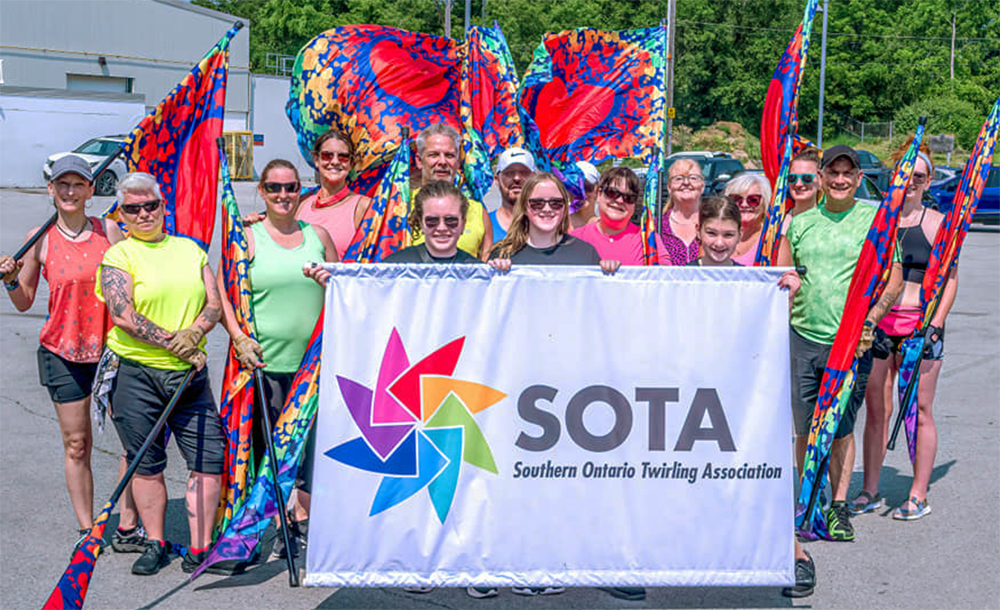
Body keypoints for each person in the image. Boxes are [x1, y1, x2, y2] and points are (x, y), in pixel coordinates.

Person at [0, 155, 143, 554]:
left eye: (78, 184)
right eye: (62, 184)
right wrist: (11, 280)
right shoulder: (40, 238)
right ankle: (88, 529)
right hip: (62, 353)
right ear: (51, 190)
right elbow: (25, 300)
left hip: (113, 352)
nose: (69, 191)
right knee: (77, 444)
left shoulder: (111, 231)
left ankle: (127, 523)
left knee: (134, 439)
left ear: (90, 190)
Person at [95, 172, 226, 575]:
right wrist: (174, 341)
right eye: (133, 209)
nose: (144, 213)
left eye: (151, 205)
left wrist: (196, 331)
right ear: (123, 215)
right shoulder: (119, 256)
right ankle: (155, 541)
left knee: (209, 457)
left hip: (188, 376)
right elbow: (122, 314)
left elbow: (214, 303)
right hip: (135, 374)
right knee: (146, 461)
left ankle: (201, 548)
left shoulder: (190, 250)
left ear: (162, 206)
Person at [776, 144, 903, 542]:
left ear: (859, 178)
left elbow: (894, 276)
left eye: (848, 173)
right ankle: (808, 499)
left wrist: (872, 318)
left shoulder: (874, 220)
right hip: (803, 337)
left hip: (851, 342)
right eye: (833, 173)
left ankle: (838, 506)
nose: (840, 180)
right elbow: (782, 276)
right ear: (821, 177)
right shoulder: (800, 223)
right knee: (804, 427)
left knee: (841, 428)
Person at [219, 160, 336, 561]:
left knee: (305, 452)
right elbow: (224, 296)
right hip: (263, 366)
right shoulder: (247, 237)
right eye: (274, 188)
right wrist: (238, 338)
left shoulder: (316, 235)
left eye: (290, 188)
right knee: (263, 452)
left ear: (300, 191)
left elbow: (343, 287)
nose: (283, 195)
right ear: (262, 192)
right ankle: (254, 530)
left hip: (312, 368)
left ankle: (294, 523)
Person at [852, 142, 956, 521]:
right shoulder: (881, 220)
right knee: (876, 410)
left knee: (920, 411)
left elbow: (950, 279)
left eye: (918, 177)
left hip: (919, 326)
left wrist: (936, 323)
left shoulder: (938, 223)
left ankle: (917, 493)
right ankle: (870, 489)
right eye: (905, 175)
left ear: (928, 182)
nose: (910, 182)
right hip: (881, 325)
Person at [411, 123, 494, 260]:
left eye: (449, 155)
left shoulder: (478, 212)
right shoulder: (399, 207)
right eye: (434, 155)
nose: (442, 162)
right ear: (419, 161)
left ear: (457, 161)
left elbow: (486, 269)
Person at [489, 172, 605, 268]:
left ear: (565, 207)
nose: (547, 209)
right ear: (524, 207)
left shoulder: (585, 254)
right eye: (537, 203)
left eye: (556, 203)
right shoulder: (502, 254)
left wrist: (611, 271)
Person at [570, 166, 671, 266]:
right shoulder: (575, 239)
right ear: (599, 193)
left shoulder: (648, 241)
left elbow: (665, 275)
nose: (620, 201)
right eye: (612, 193)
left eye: (628, 197)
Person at [294, 128, 367, 260]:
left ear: (351, 163)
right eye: (327, 155)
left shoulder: (363, 207)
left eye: (343, 157)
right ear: (316, 159)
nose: (335, 162)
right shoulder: (302, 206)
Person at [385, 181, 482, 264]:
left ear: (463, 224)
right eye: (432, 221)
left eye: (451, 220)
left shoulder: (479, 272)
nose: (441, 228)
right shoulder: (394, 267)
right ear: (421, 223)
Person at [660, 159, 705, 265]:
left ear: (702, 186)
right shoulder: (657, 227)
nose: (686, 183)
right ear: (669, 187)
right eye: (679, 178)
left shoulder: (715, 223)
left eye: (693, 178)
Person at [488, 147, 536, 242]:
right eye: (509, 173)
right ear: (497, 180)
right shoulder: (484, 224)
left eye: (524, 173)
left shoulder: (545, 225)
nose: (517, 178)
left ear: (534, 179)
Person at [724, 172, 772, 266]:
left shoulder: (774, 241)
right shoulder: (713, 237)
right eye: (737, 199)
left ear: (764, 203)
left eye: (753, 200)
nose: (744, 205)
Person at [687, 196, 742, 267]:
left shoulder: (750, 277)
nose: (719, 243)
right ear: (698, 231)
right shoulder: (681, 276)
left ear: (739, 236)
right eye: (711, 233)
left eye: (728, 235)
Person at [780, 148, 823, 236]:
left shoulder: (828, 222)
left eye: (807, 178)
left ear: (820, 180)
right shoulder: (777, 219)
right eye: (792, 178)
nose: (798, 184)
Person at [569, 161, 601, 229]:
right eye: (576, 188)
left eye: (587, 187)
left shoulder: (606, 229)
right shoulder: (558, 226)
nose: (582, 193)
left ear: (597, 190)